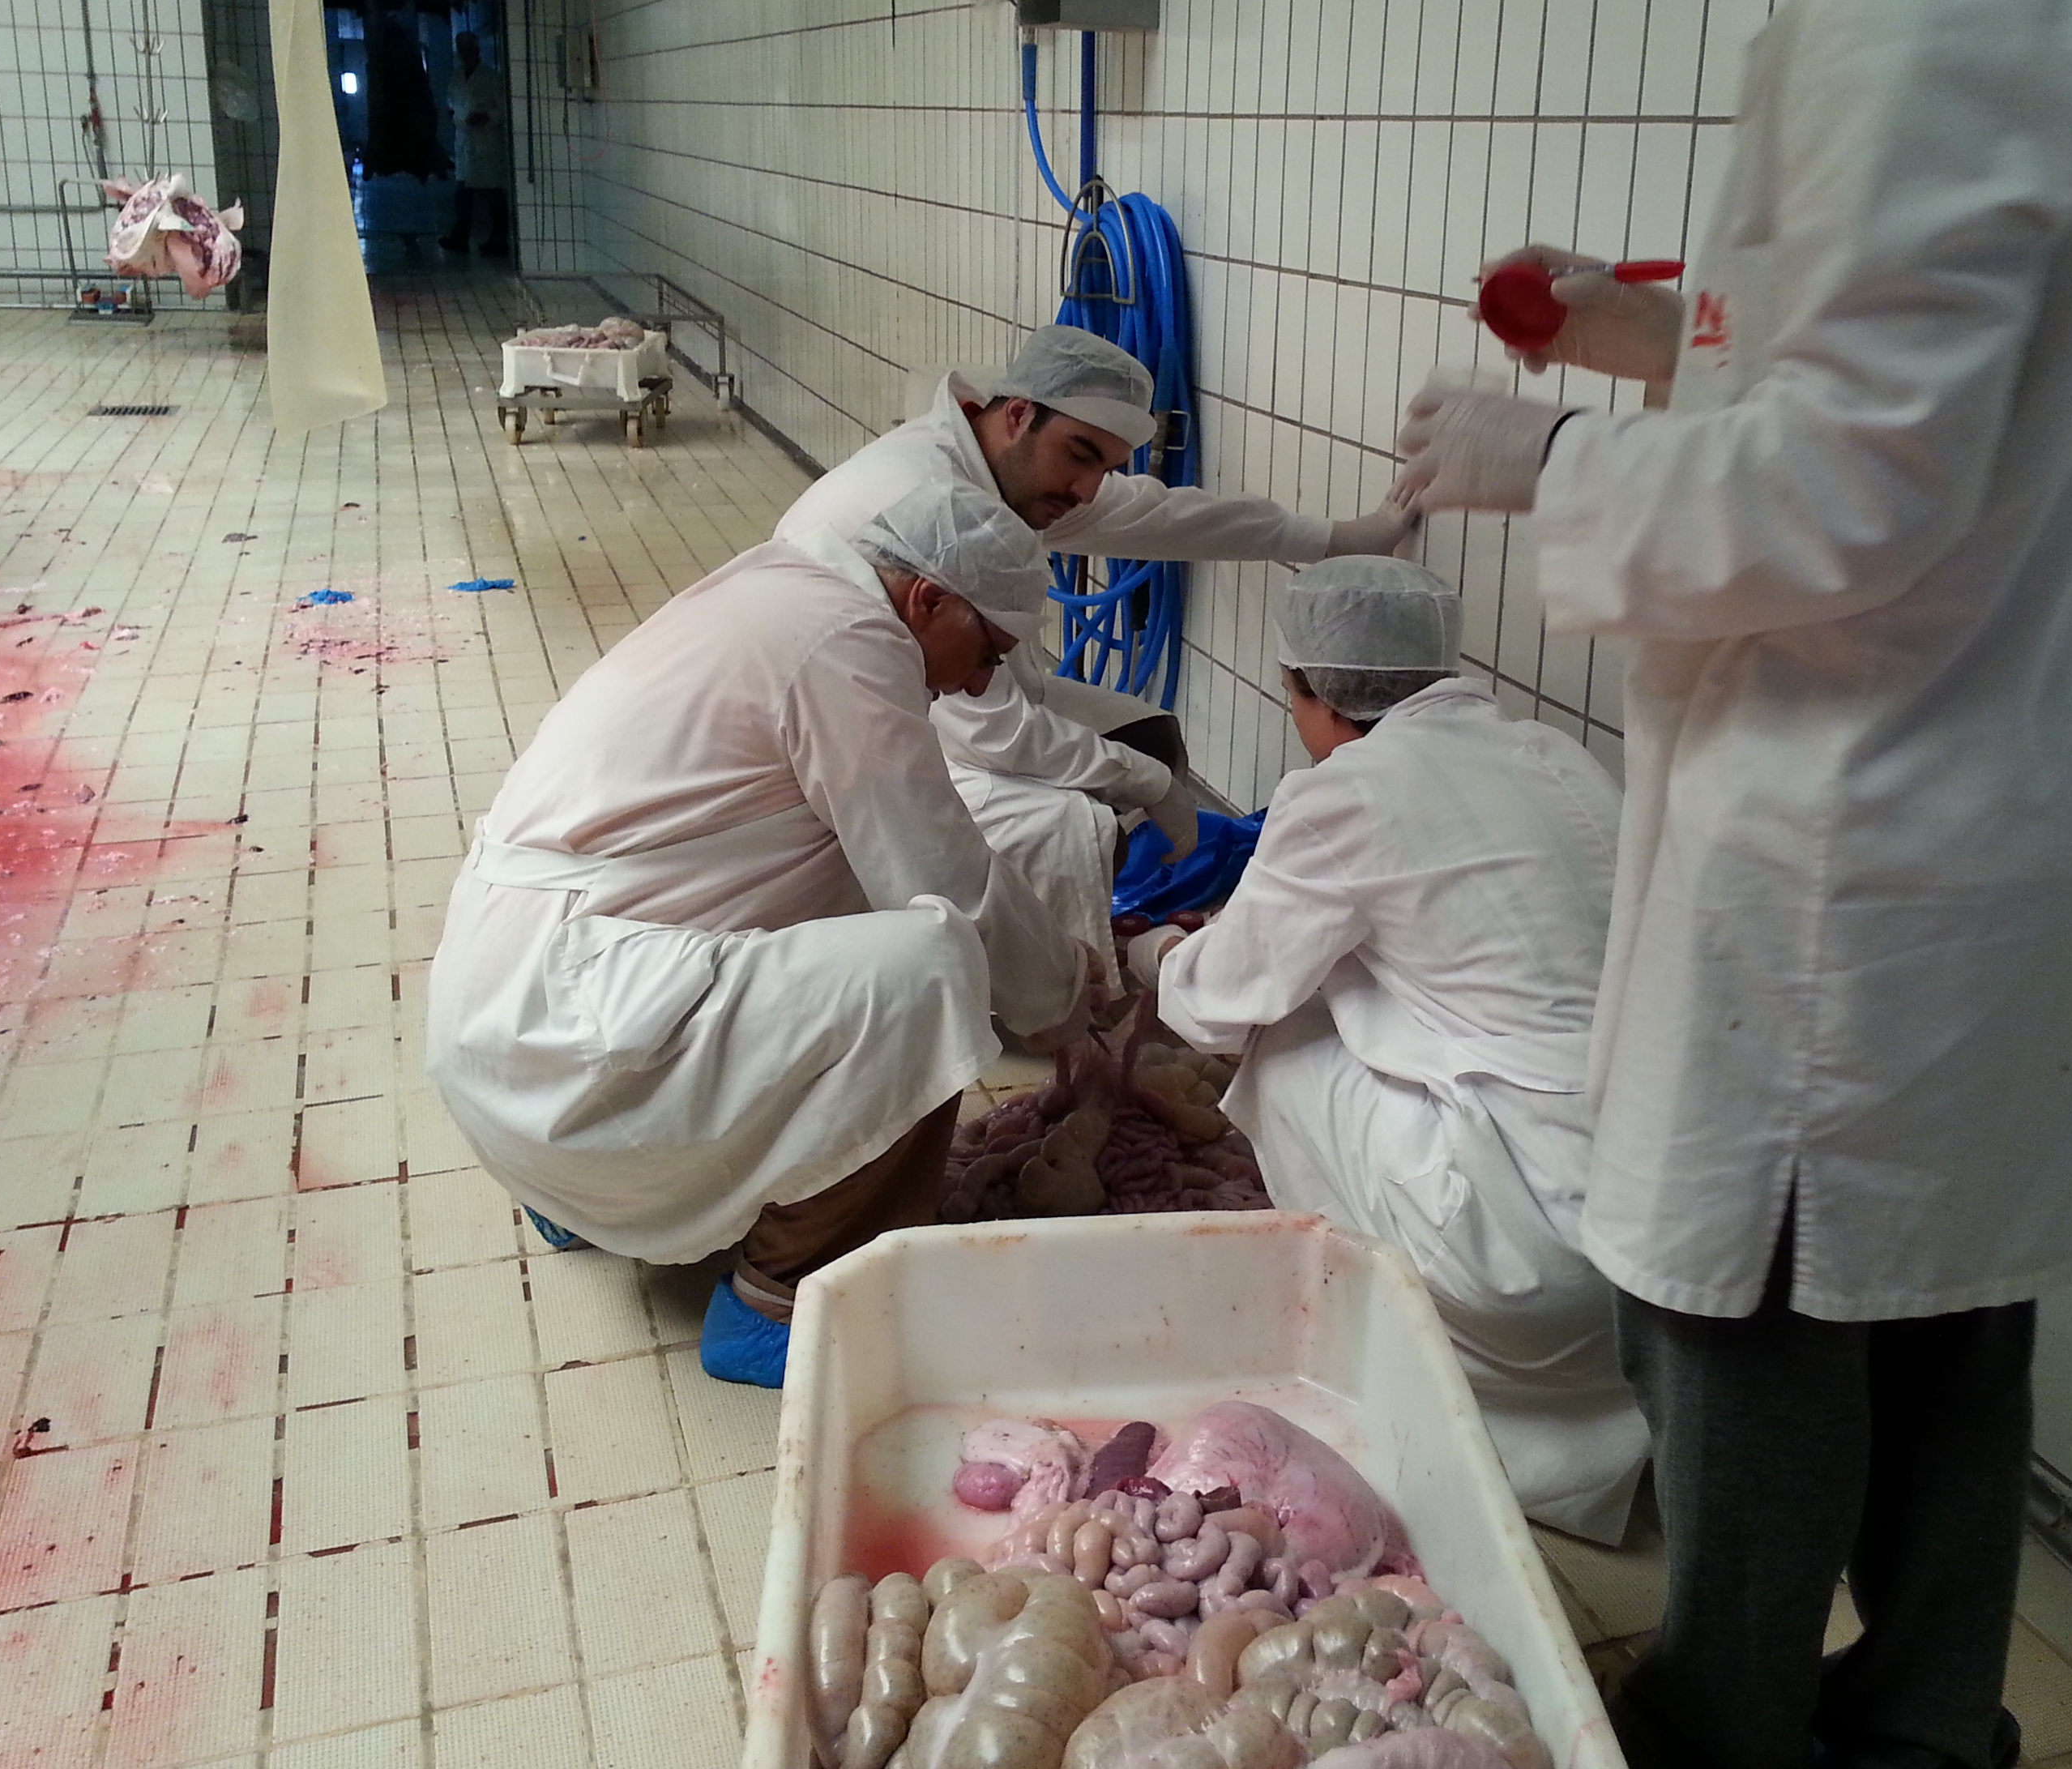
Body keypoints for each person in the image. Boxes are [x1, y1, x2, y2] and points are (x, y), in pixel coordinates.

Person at [1391, 0, 2072, 1765]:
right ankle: (1926, 1725)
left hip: (1865, 820)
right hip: (1985, 788)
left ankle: (1724, 1728)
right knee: (1938, 1308)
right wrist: (1633, 328)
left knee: (1736, 1306)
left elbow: (1855, 477)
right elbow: (1906, 366)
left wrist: (1547, 460)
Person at [424, 482, 1094, 1391]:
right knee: (930, 971)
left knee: (848, 889)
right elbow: (947, 879)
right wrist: (1075, 1000)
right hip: (565, 1040)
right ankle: (780, 1304)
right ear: (928, 600)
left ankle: (586, 1197)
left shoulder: (786, 584)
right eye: (987, 653)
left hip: (500, 1025)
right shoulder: (847, 644)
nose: (978, 685)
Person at [1123, 558, 1650, 1545]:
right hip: (1652, 1250)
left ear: (1311, 694)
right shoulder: (1559, 757)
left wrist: (1153, 953)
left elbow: (1215, 1007)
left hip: (1528, 1268)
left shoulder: (1348, 791)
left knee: (1282, 1039)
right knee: (1352, 976)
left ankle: (1396, 1350)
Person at [778, 323, 1417, 966]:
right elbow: (991, 732)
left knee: (1146, 735)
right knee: (1070, 826)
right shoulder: (924, 501)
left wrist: (1336, 539)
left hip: (942, 709)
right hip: (860, 751)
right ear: (1019, 414)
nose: (1086, 489)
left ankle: (1100, 932)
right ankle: (1058, 980)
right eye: (1081, 456)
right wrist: (1145, 784)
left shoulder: (1000, 471)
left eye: (1104, 468)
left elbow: (1160, 515)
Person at [439, 31, 512, 258]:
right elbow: (452, 103)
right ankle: (460, 238)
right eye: (462, 50)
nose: (465, 54)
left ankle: (499, 240)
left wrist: (486, 117)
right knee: (463, 194)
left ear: (477, 50)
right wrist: (454, 114)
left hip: (486, 143)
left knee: (493, 194)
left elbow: (504, 109)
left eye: (469, 49)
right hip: (465, 142)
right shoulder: (456, 77)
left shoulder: (491, 77)